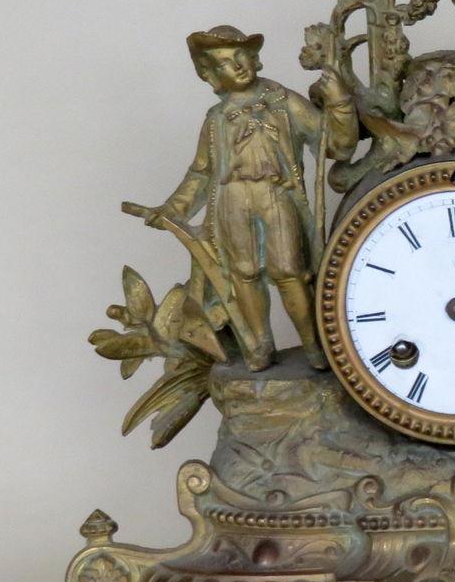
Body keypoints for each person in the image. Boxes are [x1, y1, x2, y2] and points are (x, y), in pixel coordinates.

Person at [146, 26, 357, 370]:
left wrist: (340, 102)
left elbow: (335, 144)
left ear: (255, 59)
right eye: (226, 63)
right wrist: (173, 208)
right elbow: (201, 172)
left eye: (241, 55)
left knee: (290, 271)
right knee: (242, 273)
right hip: (232, 199)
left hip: (276, 194)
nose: (238, 65)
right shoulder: (216, 120)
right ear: (211, 75)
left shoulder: (281, 101)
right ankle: (260, 345)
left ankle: (315, 344)